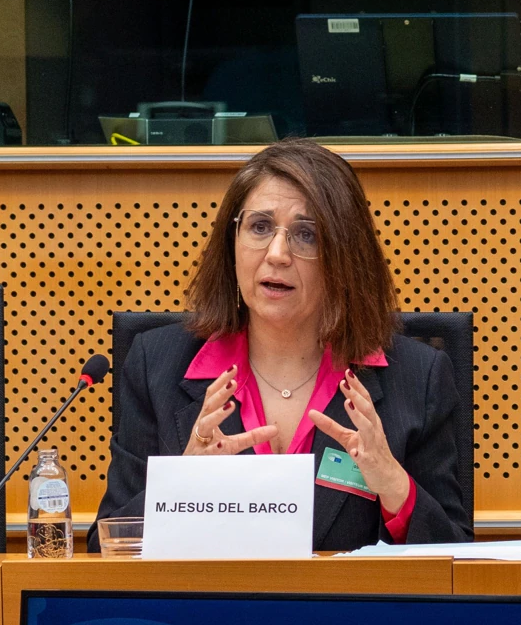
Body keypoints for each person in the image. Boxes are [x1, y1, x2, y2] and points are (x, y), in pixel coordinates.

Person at [90, 139, 470, 551]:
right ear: (231, 241)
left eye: (306, 235)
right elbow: (107, 548)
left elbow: (456, 561)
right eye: (259, 227)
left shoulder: (417, 378)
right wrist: (184, 484)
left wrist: (393, 484)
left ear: (345, 256)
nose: (277, 254)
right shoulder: (157, 368)